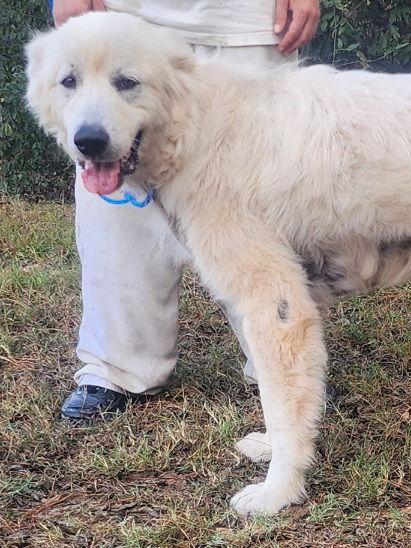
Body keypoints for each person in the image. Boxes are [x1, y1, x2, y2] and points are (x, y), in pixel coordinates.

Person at [54, 0, 322, 421]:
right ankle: (119, 365)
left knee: (256, 204)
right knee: (117, 211)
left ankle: (284, 366)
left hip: (243, 21)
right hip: (129, 13)